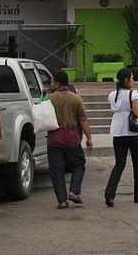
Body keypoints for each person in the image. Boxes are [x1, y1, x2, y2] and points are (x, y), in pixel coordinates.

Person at [47, 71, 93, 209]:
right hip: (72, 139)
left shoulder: (49, 99)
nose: (51, 84)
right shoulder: (76, 98)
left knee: (57, 170)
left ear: (58, 83)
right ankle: (74, 190)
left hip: (54, 140)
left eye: (52, 82)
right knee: (79, 164)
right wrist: (89, 138)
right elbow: (83, 119)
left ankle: (62, 201)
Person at [105, 68, 138, 206]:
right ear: (126, 80)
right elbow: (136, 112)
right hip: (133, 133)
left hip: (118, 132)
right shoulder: (133, 94)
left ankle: (110, 193)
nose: (133, 80)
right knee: (137, 164)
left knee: (119, 164)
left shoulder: (112, 94)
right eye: (132, 78)